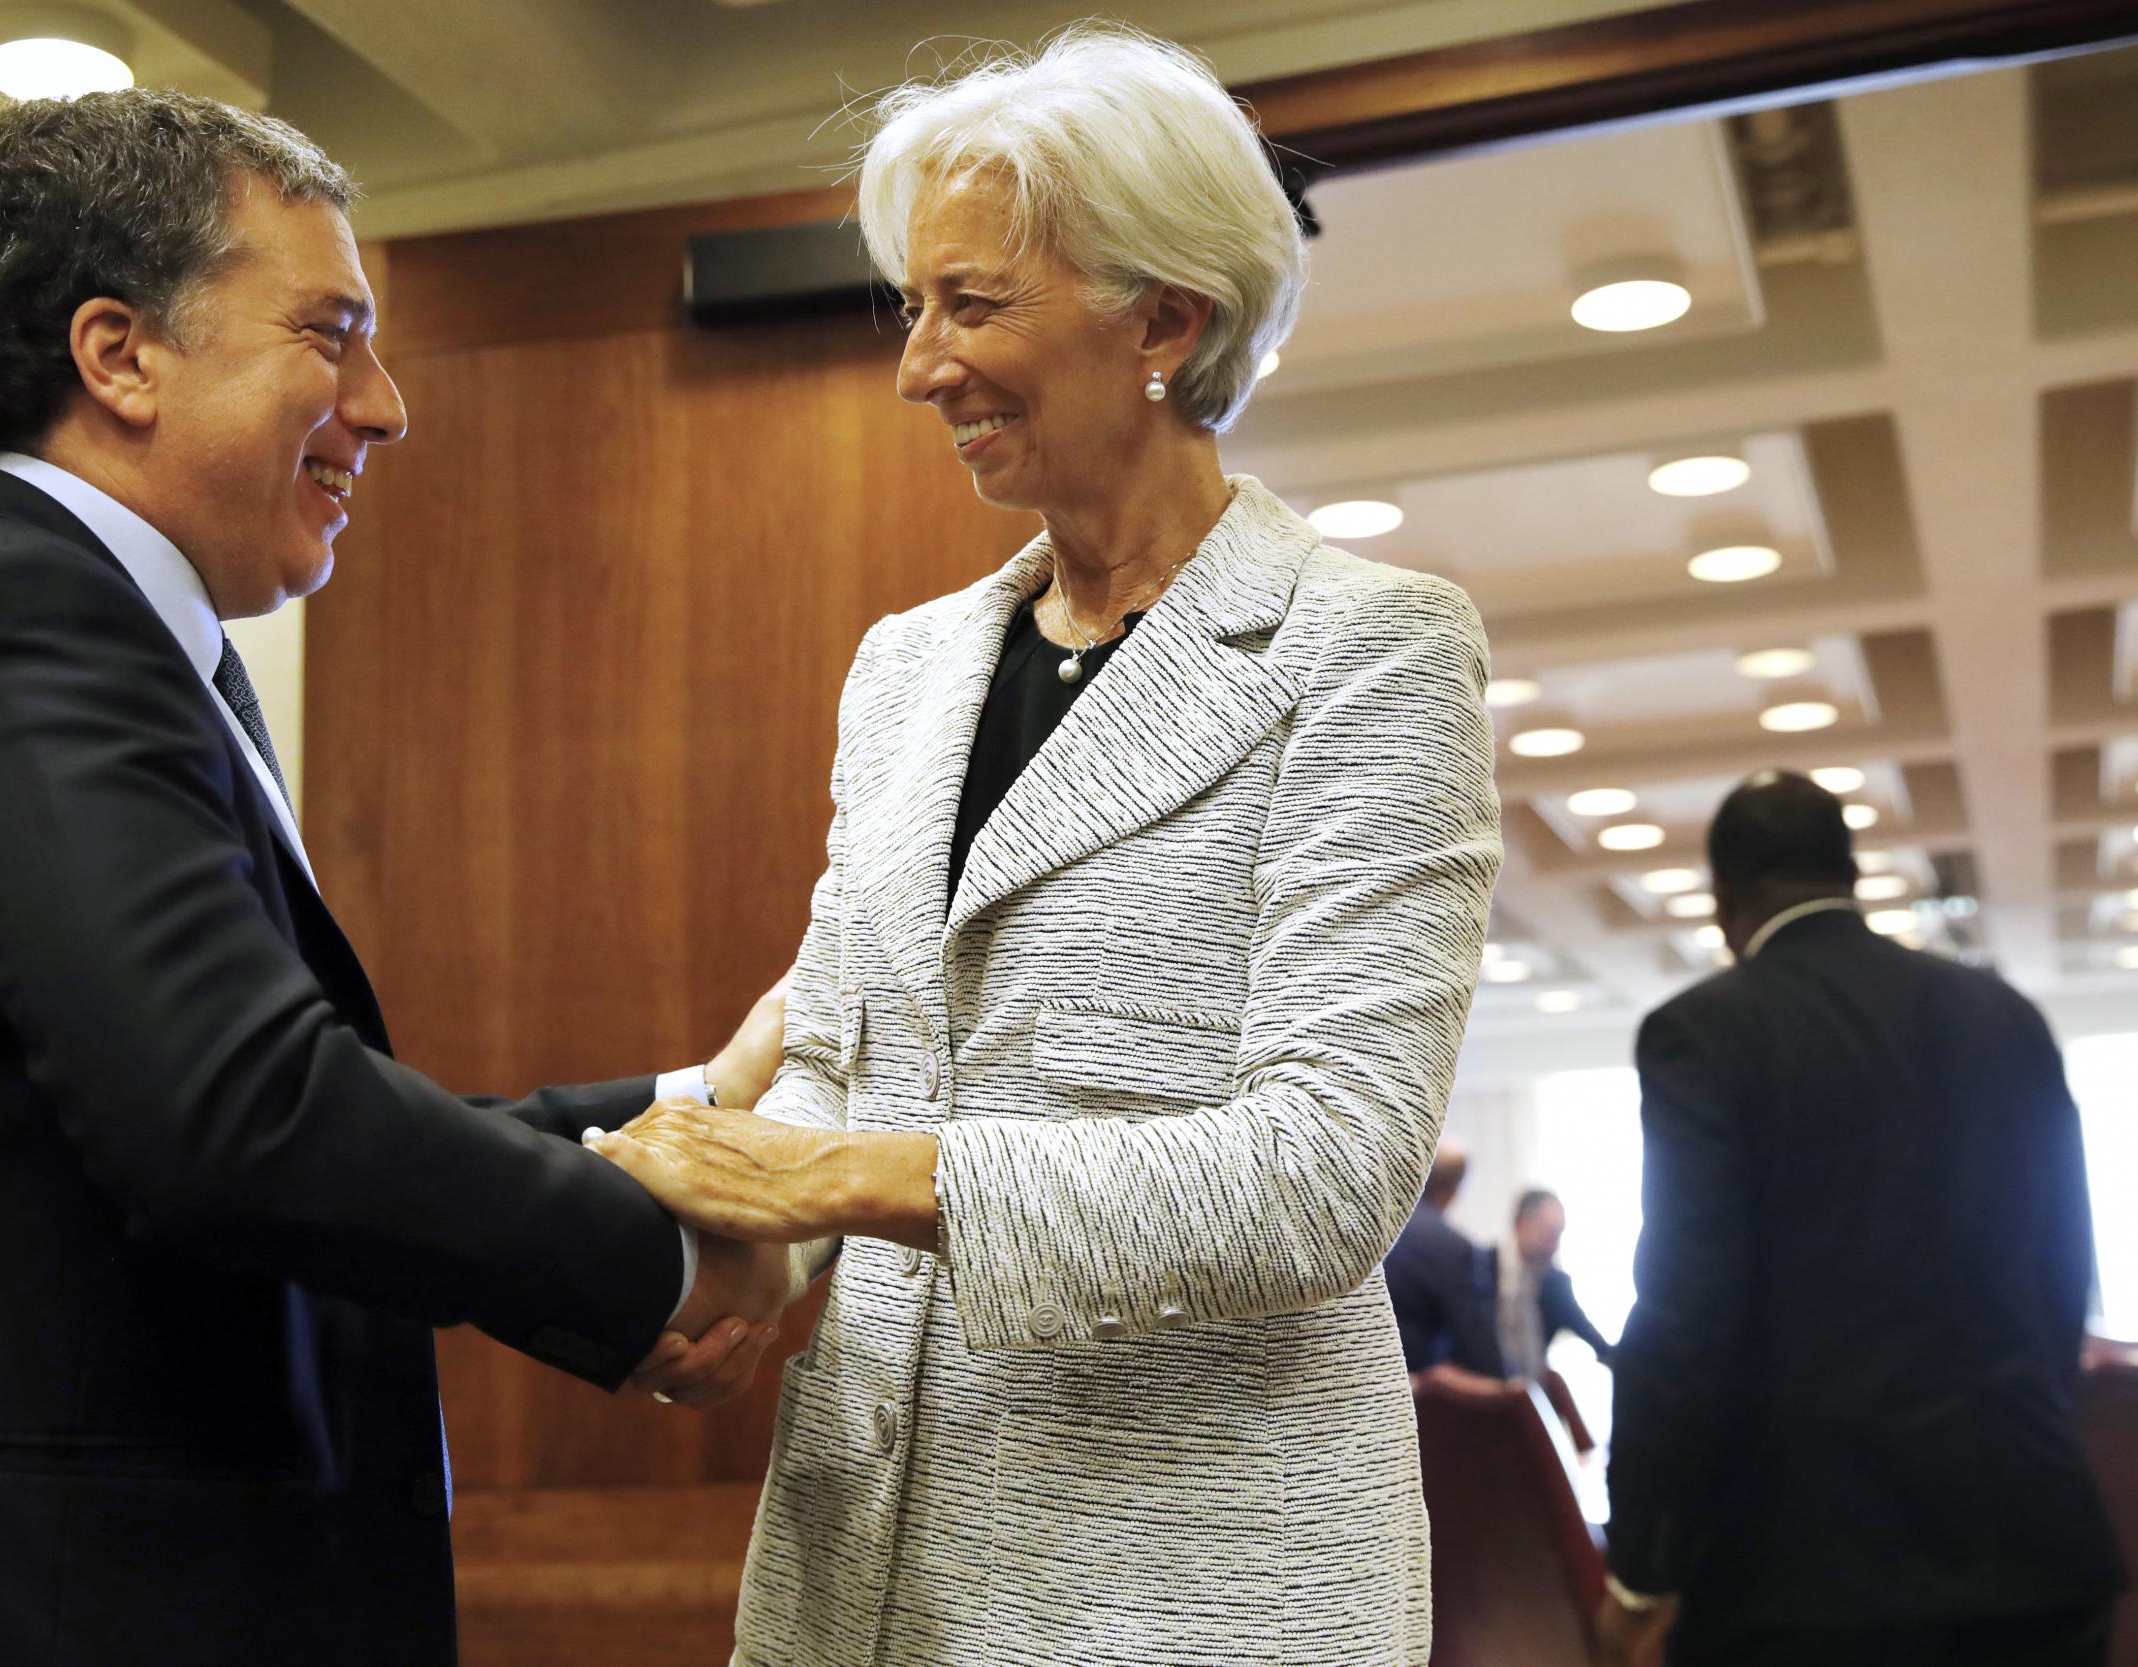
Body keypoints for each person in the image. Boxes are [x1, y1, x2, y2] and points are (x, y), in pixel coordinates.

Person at [0, 92, 792, 1667]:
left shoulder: (115, 634)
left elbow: (256, 1104)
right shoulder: (9, 617)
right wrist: (668, 1254)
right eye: (331, 333)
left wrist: (682, 1118)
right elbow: (241, 1118)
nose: (388, 403)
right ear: (119, 353)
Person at [585, 25, 1502, 1667]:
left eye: (973, 303)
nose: (919, 364)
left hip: (1193, 1581)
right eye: (914, 304)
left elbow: (1325, 1168)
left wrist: (825, 1175)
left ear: (1167, 318)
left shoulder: (1366, 650)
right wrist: (748, 1254)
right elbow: (841, 1049)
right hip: (863, 1549)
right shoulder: (905, 669)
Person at [1596, 771, 2124, 1667]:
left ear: (1723, 898)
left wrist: (1640, 1568)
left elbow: (1689, 1311)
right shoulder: (2005, 1015)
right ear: (1851, 872)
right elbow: (2064, 1266)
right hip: (2036, 1547)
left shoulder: (1706, 1032)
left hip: (1808, 1578)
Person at [1386, 1141, 1507, 1375]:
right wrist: (1509, 1389)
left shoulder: (1384, 1230)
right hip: (1426, 1393)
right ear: (1455, 1190)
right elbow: (1476, 1335)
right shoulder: (1455, 1247)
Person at [1488, 1187, 1613, 1382]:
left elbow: (1593, 1338)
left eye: (1559, 1235)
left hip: (1530, 1393)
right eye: (1549, 1234)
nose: (1554, 1246)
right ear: (1521, 1225)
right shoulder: (1484, 1266)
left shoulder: (1557, 1285)